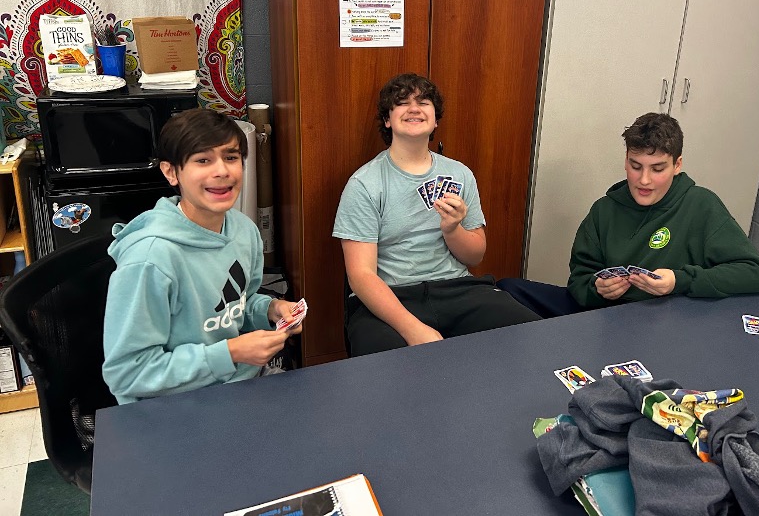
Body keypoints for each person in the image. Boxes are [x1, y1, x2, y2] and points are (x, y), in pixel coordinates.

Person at [333, 73, 541, 356]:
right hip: (392, 296)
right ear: (387, 120)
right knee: (384, 365)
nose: (414, 108)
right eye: (402, 103)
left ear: (435, 119)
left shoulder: (459, 174)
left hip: (458, 289)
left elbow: (475, 256)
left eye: (424, 102)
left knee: (532, 336)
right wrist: (412, 328)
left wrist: (453, 228)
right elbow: (361, 275)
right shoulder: (364, 184)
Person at [103, 109, 302, 404]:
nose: (222, 171)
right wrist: (231, 352)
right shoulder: (150, 259)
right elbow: (127, 374)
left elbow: (235, 306)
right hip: (174, 406)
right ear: (171, 172)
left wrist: (270, 310)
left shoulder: (244, 230)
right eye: (203, 160)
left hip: (241, 384)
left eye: (231, 157)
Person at [498, 112, 759, 315]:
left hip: (670, 319)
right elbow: (579, 282)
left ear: (677, 165)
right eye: (635, 165)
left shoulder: (702, 205)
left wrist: (680, 281)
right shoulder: (603, 210)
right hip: (609, 317)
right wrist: (598, 289)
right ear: (626, 160)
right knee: (508, 288)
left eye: (657, 168)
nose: (644, 180)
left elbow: (757, 274)